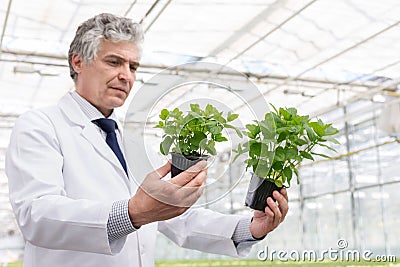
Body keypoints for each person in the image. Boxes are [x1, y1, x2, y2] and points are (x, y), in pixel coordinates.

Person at [5, 13, 288, 267]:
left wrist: (250, 228)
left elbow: (179, 217)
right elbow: (37, 215)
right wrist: (131, 213)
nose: (126, 75)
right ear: (78, 62)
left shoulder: (130, 142)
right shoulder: (41, 126)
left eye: (133, 66)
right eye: (114, 62)